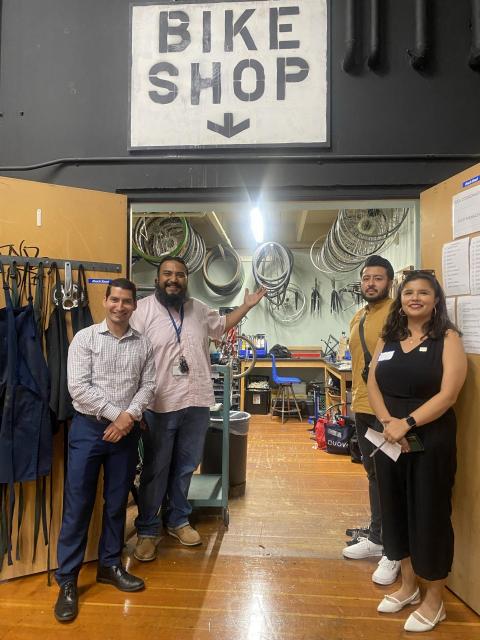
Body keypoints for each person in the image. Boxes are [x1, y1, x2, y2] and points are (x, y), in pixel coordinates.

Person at [131, 256, 265, 561]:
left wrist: (246, 307)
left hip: (196, 403)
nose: (173, 279)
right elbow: (131, 355)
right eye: (167, 274)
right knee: (156, 469)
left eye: (179, 274)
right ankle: (149, 530)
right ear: (157, 279)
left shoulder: (199, 309)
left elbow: (221, 326)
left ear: (186, 279)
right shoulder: (143, 312)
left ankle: (178, 519)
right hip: (159, 404)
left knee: (186, 467)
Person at [367, 271, 467, 632]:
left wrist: (405, 423)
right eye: (408, 292)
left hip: (429, 438)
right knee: (395, 509)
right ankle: (408, 586)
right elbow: (372, 380)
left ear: (435, 300)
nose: (415, 297)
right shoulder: (389, 336)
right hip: (389, 436)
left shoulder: (447, 338)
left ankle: (435, 599)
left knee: (430, 514)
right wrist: (385, 421)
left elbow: (448, 394)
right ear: (401, 299)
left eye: (423, 292)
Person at [54, 278, 156, 623]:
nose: (120, 306)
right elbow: (78, 388)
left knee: (116, 504)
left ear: (134, 305)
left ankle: (109, 566)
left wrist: (129, 418)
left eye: (127, 301)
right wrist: (120, 416)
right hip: (89, 430)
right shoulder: (84, 339)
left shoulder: (143, 344)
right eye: (115, 300)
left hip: (125, 434)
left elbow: (149, 385)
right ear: (105, 301)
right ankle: (67, 580)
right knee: (78, 504)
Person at [343, 255, 401, 586]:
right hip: (362, 406)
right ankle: (378, 538)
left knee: (391, 476)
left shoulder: (398, 313)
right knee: (374, 475)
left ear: (389, 282)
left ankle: (395, 551)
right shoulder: (358, 316)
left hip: (387, 409)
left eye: (378, 278)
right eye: (366, 278)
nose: (371, 283)